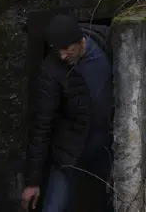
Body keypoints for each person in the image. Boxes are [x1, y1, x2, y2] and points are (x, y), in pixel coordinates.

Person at [22, 13, 114, 212]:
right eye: (58, 50)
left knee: (117, 201)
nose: (62, 55)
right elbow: (41, 126)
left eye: (67, 49)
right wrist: (32, 182)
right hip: (70, 154)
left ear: (79, 40)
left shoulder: (106, 45)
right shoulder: (51, 70)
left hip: (105, 149)